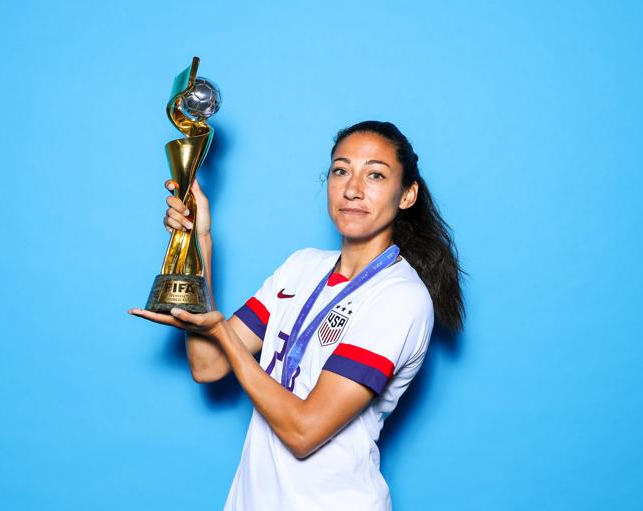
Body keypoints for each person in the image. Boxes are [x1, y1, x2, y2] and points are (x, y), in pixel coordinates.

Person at [129, 120, 464, 510]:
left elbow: (304, 431)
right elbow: (207, 365)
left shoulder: (400, 298)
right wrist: (200, 239)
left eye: (375, 175)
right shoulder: (302, 267)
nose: (352, 189)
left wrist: (221, 330)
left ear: (407, 195)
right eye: (341, 170)